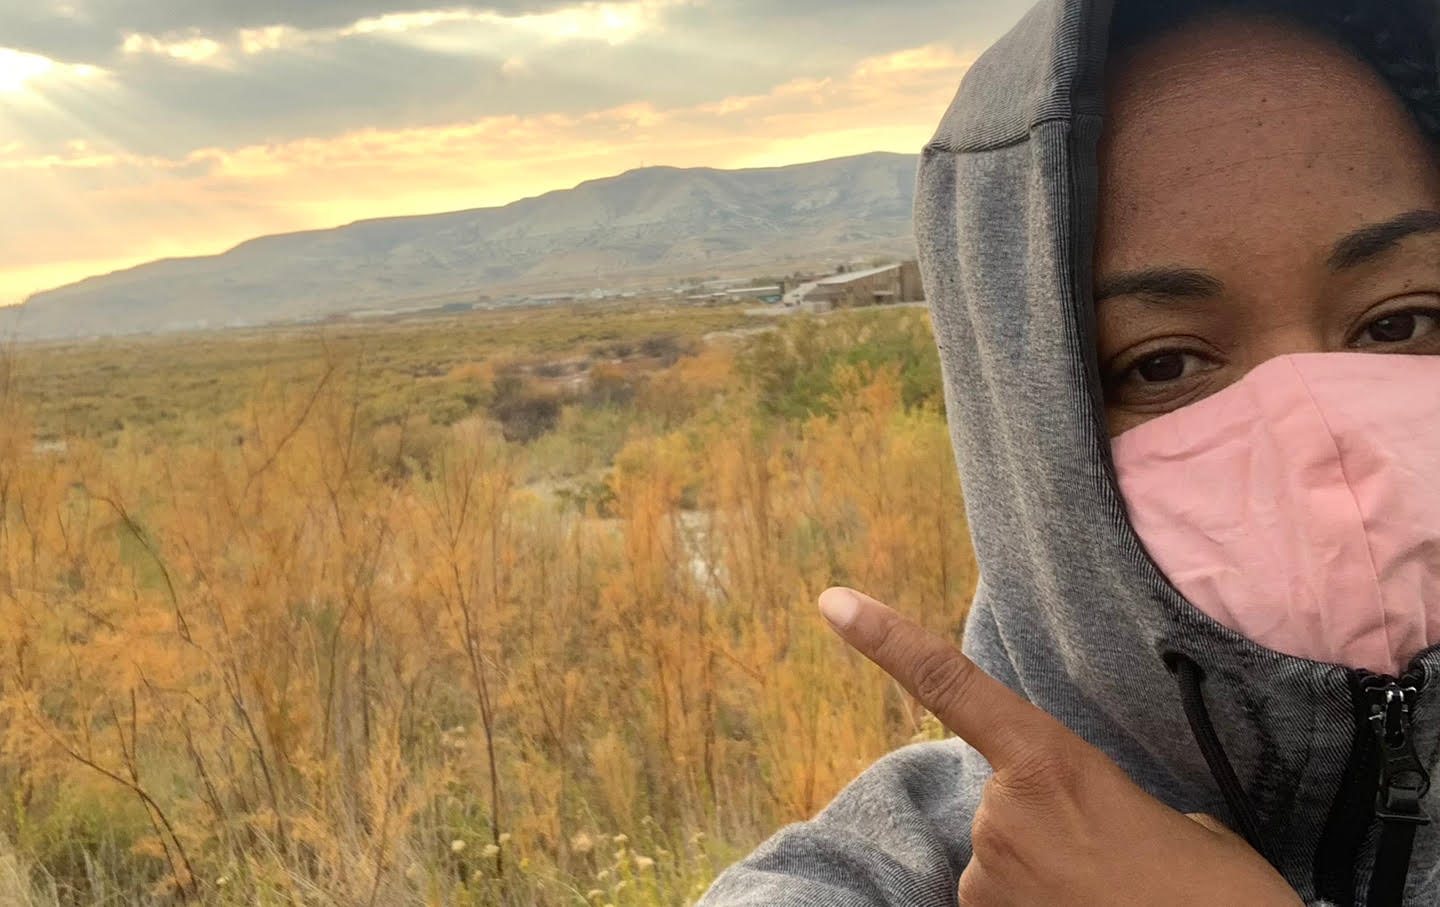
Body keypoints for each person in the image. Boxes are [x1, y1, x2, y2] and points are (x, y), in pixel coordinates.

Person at [697, 0, 1440, 903]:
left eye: (1398, 322)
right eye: (1162, 361)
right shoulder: (910, 867)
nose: (1322, 444)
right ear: (1027, 432)